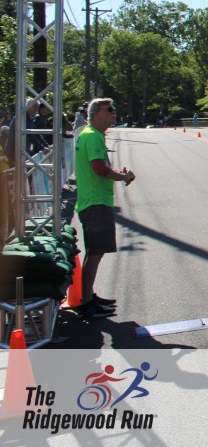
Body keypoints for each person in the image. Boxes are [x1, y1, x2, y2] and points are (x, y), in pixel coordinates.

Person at [74, 98, 135, 319]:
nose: (114, 112)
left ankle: (88, 295)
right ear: (96, 114)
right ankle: (86, 302)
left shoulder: (91, 134)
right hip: (95, 202)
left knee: (95, 252)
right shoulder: (93, 136)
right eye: (109, 109)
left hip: (93, 200)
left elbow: (99, 167)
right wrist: (123, 177)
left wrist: (119, 174)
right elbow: (99, 169)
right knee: (95, 252)